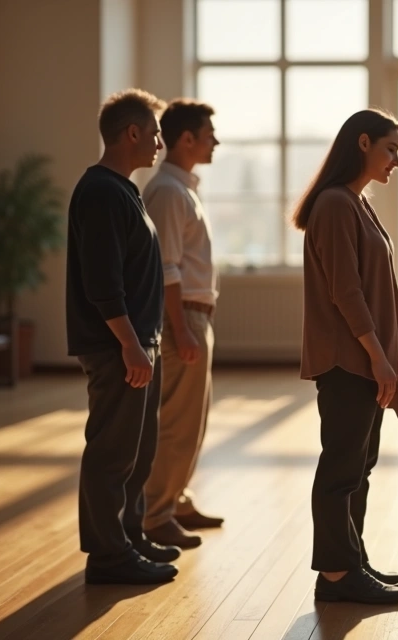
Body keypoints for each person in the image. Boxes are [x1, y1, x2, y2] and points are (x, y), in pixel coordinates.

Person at [293, 108, 398, 605]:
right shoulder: (337, 205)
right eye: (390, 149)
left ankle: (350, 562)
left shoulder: (357, 204)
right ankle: (338, 574)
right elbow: (347, 292)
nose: (396, 162)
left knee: (358, 466)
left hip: (362, 359)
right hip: (348, 360)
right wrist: (378, 357)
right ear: (362, 144)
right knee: (342, 468)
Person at [66, 88, 181, 585]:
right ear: (132, 133)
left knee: (137, 450)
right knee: (112, 452)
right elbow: (102, 283)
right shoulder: (100, 192)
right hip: (119, 346)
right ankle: (108, 556)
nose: (159, 143)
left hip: (137, 343)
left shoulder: (123, 190)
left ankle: (129, 537)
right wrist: (131, 344)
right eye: (155, 133)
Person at [141, 99, 224, 550]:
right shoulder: (170, 192)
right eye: (209, 133)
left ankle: (176, 499)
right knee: (178, 420)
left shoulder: (182, 188)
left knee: (193, 417)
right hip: (184, 317)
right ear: (187, 138)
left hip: (193, 315)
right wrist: (182, 328)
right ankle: (156, 514)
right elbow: (167, 268)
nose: (215, 141)